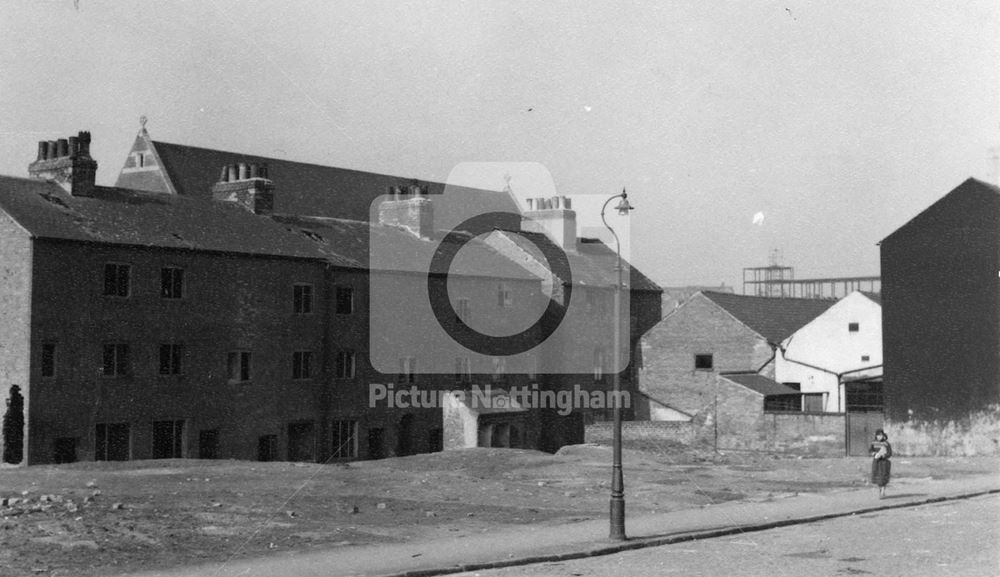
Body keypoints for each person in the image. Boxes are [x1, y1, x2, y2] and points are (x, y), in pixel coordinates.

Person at [869, 429, 892, 499]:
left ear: (883, 435)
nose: (879, 437)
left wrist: (883, 455)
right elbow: (870, 450)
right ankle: (880, 490)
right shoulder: (873, 443)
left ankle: (882, 491)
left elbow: (889, 453)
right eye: (878, 435)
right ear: (876, 436)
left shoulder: (886, 443)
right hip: (876, 462)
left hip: (884, 463)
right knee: (878, 477)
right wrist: (874, 454)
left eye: (881, 435)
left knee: (883, 477)